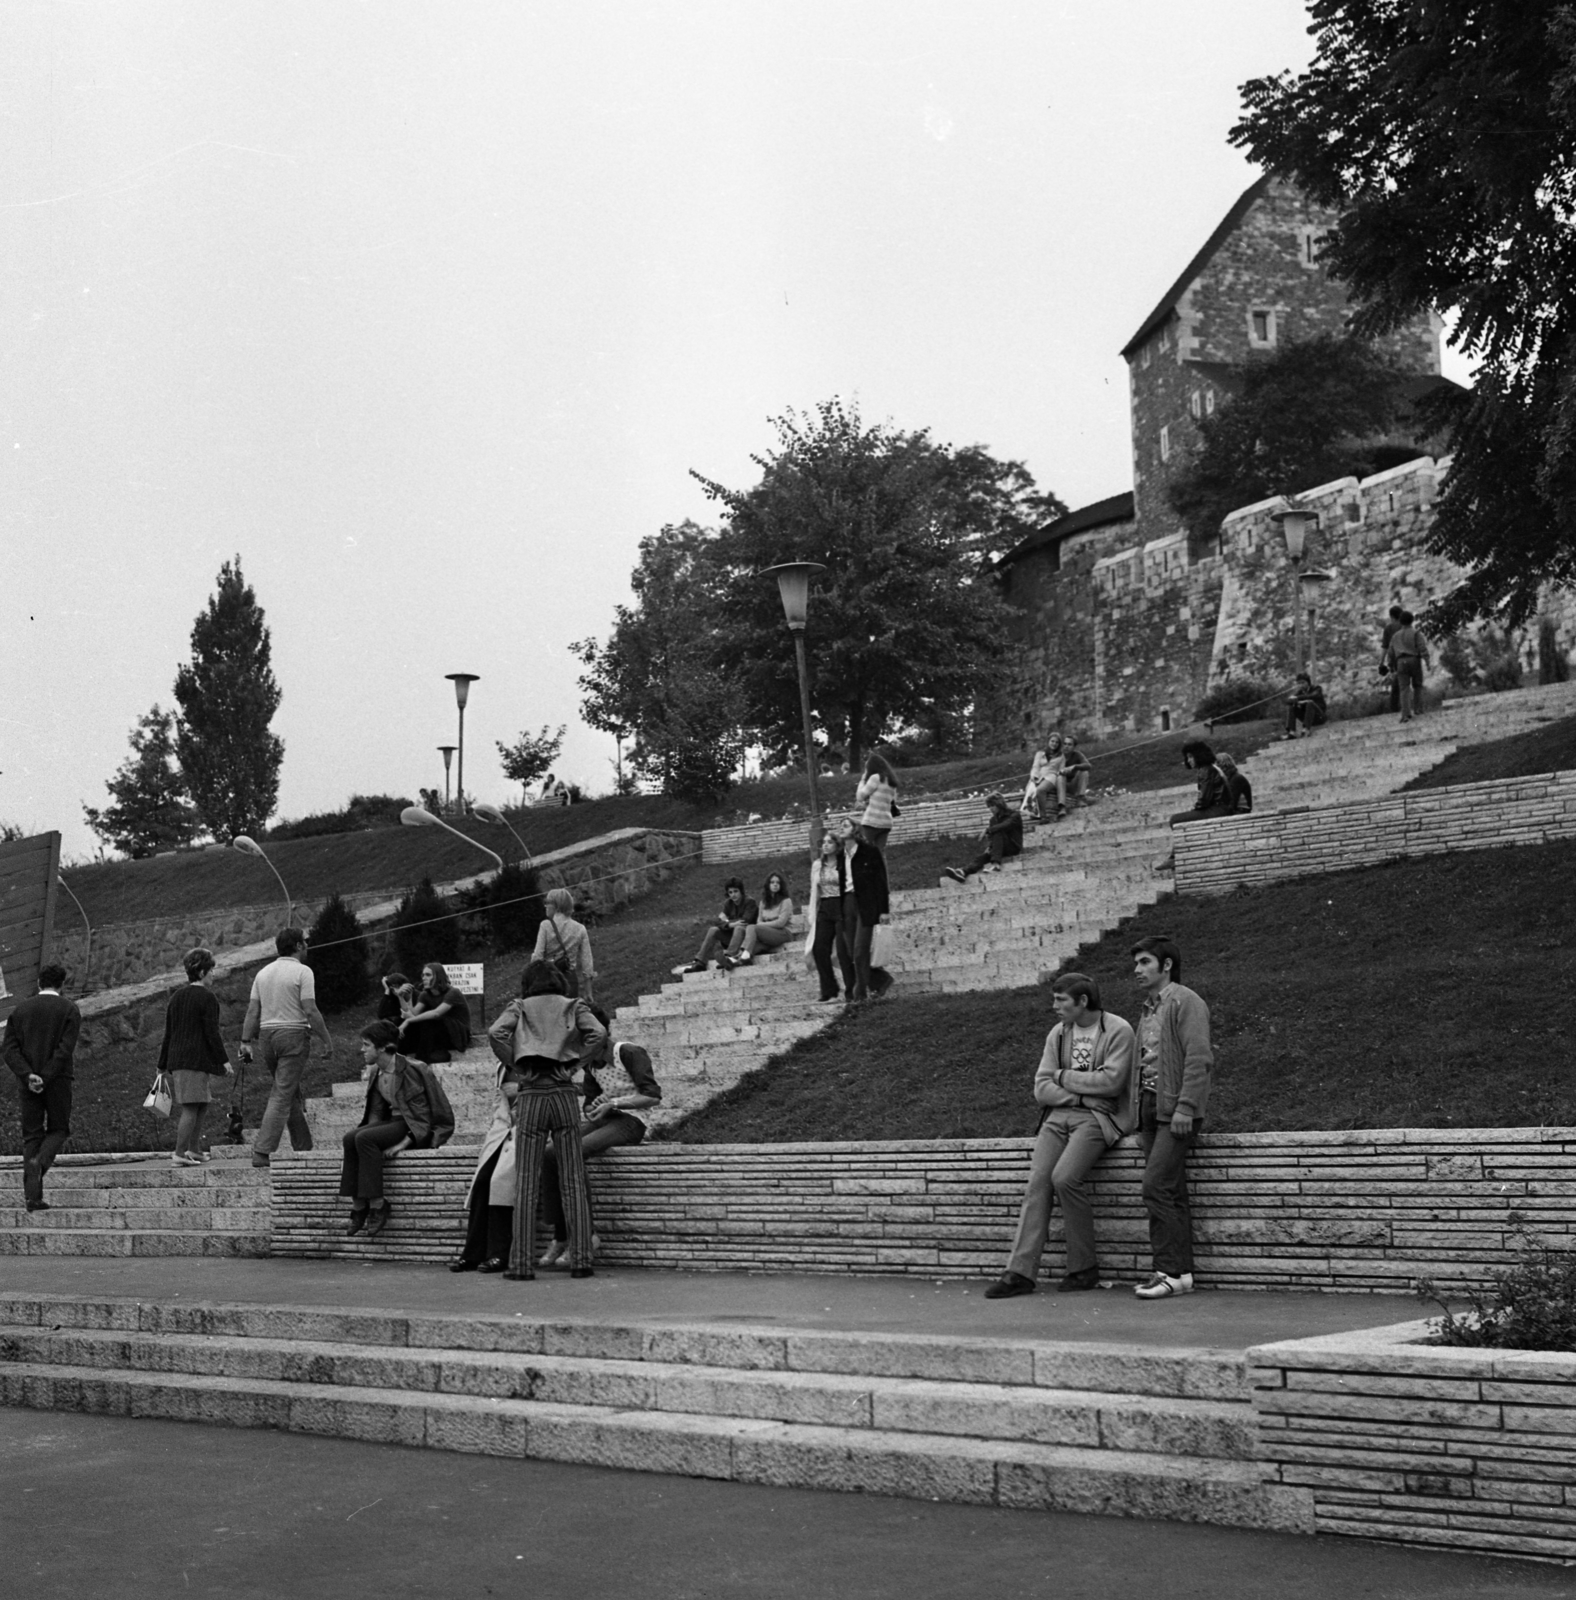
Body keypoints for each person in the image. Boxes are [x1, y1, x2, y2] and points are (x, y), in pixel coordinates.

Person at [985, 972, 1136, 1298]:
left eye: (1061, 1000)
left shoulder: (1119, 1030)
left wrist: (1062, 1076)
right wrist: (1079, 1094)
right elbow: (1042, 1088)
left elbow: (1111, 1084)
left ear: (1082, 1001)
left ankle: (1084, 1269)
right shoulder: (1059, 1033)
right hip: (1059, 1117)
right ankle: (1020, 1274)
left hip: (1099, 1117)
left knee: (1065, 1178)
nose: (1054, 1006)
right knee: (1038, 1182)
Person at [487, 959, 608, 1280]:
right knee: (572, 1179)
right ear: (557, 981)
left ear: (529, 983)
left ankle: (522, 1265)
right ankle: (582, 1260)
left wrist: (517, 1064)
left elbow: (495, 1032)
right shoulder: (573, 1005)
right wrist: (574, 1065)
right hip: (564, 1093)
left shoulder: (520, 1006)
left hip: (531, 1094)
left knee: (526, 1182)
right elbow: (598, 1032)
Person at [1130, 935, 1213, 1300]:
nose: (1137, 970)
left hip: (1175, 1110)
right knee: (1170, 1192)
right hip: (1150, 1108)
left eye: (1145, 962)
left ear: (1166, 966)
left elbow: (1199, 1057)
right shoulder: (1148, 1008)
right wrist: (1136, 1116)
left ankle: (1170, 1270)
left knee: (1155, 1187)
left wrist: (1186, 1107)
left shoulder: (1186, 1001)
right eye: (1136, 963)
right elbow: (1143, 1064)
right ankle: (1180, 1276)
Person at [538, 1031, 663, 1268]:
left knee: (574, 1150)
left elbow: (652, 1096)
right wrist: (593, 1108)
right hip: (604, 1120)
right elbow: (589, 1104)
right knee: (549, 1153)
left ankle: (586, 1235)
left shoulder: (629, 1053)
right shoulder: (591, 1065)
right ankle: (561, 1236)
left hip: (631, 1121)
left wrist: (613, 1104)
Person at [340, 1021, 455, 1238]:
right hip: (393, 1123)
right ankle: (358, 1207)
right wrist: (362, 1136)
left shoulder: (415, 1069)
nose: (362, 1050)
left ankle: (378, 1204)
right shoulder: (376, 1071)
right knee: (350, 1138)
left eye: (366, 1045)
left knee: (364, 1138)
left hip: (413, 1128)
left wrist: (403, 1144)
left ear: (382, 1047)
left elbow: (427, 1117)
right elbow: (375, 1113)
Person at [239, 927, 332, 1169]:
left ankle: (304, 1146)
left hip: (267, 1038)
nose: (307, 946)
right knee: (282, 1093)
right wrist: (326, 1039)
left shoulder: (263, 973)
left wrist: (245, 1041)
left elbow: (252, 1011)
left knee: (287, 1090)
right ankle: (262, 1151)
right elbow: (310, 1009)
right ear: (299, 946)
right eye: (305, 943)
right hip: (293, 1035)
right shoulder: (303, 972)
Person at [3, 962, 81, 1213]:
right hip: (58, 1080)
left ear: (39, 983)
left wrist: (28, 1076)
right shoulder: (69, 1009)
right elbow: (65, 1049)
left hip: (28, 1083)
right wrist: (46, 1077)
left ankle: (32, 1197)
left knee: (32, 1135)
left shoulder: (21, 1010)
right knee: (59, 1128)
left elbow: (9, 1049)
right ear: (62, 984)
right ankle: (41, 1162)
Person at [157, 947, 233, 1166]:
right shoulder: (207, 998)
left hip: (179, 1060)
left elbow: (169, 1033)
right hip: (195, 1061)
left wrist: (161, 1064)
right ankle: (180, 1153)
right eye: (211, 971)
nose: (213, 975)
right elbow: (212, 1032)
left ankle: (194, 1149)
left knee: (201, 1103)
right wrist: (223, 1060)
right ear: (201, 973)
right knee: (191, 1106)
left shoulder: (176, 997)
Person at [805, 827, 857, 1003]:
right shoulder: (817, 866)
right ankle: (829, 989)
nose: (825, 846)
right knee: (819, 949)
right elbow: (814, 891)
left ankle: (852, 989)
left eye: (829, 842)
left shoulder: (845, 863)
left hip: (841, 904)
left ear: (837, 845)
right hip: (825, 906)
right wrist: (812, 913)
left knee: (843, 952)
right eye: (823, 843)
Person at [848, 824, 892, 1003]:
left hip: (865, 905)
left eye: (845, 825)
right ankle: (880, 980)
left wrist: (884, 909)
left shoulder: (870, 852)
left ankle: (860, 995)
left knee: (860, 950)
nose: (840, 828)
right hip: (843, 906)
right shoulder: (838, 855)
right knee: (847, 953)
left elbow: (881, 881)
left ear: (855, 831)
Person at [398, 961, 472, 1062]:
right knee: (406, 1024)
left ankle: (421, 1058)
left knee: (429, 1020)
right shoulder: (425, 995)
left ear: (439, 976)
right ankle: (400, 1054)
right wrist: (403, 997)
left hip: (458, 1034)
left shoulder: (453, 992)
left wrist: (408, 1021)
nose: (424, 978)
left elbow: (436, 1013)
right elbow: (413, 1015)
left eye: (428, 975)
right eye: (423, 975)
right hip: (439, 1033)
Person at [533, 886, 596, 1000]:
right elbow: (587, 962)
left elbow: (537, 957)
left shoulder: (545, 926)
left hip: (549, 981)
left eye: (547, 902)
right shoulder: (580, 929)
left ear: (556, 905)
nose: (545, 906)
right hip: (570, 981)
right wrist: (588, 992)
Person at [942, 793, 1022, 883]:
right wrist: (990, 847)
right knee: (982, 857)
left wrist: (988, 830)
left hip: (1013, 847)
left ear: (999, 804)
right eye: (989, 806)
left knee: (997, 830)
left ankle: (996, 865)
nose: (991, 809)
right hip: (1000, 848)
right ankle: (963, 872)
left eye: (993, 806)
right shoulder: (993, 820)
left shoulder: (1014, 815)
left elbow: (1006, 825)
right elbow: (994, 838)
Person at [685, 878, 758, 973]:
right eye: (730, 892)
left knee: (739, 927)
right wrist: (730, 924)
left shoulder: (750, 902)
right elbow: (717, 921)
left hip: (746, 939)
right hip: (732, 937)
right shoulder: (728, 903)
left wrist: (727, 921)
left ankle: (728, 957)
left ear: (741, 891)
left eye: (736, 891)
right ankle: (700, 962)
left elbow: (745, 920)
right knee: (713, 930)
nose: (733, 895)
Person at [1167, 740, 1235, 828]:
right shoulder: (1211, 768)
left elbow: (1204, 799)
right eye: (1187, 757)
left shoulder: (1205, 770)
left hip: (1218, 810)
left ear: (1198, 756)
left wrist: (1195, 809)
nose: (1188, 760)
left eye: (1191, 757)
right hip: (1223, 808)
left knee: (1174, 820)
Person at [731, 873, 794, 965]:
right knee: (754, 946)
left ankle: (742, 956)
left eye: (778, 883)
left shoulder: (786, 901)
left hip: (783, 933)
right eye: (772, 882)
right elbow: (759, 920)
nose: (775, 884)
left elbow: (780, 923)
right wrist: (761, 926)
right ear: (768, 885)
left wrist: (761, 926)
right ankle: (737, 959)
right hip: (768, 935)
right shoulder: (763, 903)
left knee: (752, 927)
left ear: (781, 885)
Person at [1384, 609, 1431, 723]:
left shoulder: (1395, 636)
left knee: (1404, 688)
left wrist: (1391, 666)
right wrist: (1427, 661)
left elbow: (1390, 652)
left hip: (1400, 662)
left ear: (1400, 621)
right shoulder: (1416, 633)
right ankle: (1418, 709)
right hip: (1414, 660)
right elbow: (1422, 647)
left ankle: (1405, 714)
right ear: (1412, 621)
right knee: (1417, 685)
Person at [854, 752, 900, 850]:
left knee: (865, 851)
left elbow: (860, 797)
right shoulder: (891, 780)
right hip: (886, 822)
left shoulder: (875, 778)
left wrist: (862, 780)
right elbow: (889, 802)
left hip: (872, 821)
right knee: (880, 854)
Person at [1379, 603, 1406, 713]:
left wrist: (1381, 663)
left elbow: (1385, 647)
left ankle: (1395, 710)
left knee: (1396, 686)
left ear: (1391, 617)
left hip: (1396, 661)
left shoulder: (1389, 628)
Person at [1282, 672, 1327, 739]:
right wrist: (1292, 699)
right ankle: (1292, 732)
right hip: (1307, 718)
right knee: (1291, 707)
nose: (1301, 685)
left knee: (1310, 702)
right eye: (1299, 683)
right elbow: (1287, 702)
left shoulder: (1317, 688)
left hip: (1319, 717)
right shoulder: (1299, 693)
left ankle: (1306, 729)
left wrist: (1299, 699)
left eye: (1303, 683)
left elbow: (1312, 695)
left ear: (1308, 682)